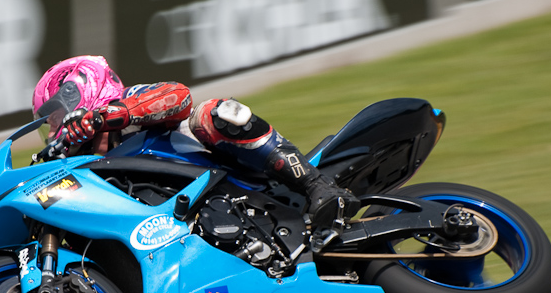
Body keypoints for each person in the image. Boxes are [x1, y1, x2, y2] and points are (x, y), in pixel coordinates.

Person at [32, 55, 360, 227]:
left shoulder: (128, 103)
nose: (54, 130)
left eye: (55, 116)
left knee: (211, 114)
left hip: (231, 176)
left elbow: (179, 96)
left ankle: (317, 186)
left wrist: (104, 117)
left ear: (80, 92)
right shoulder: (85, 165)